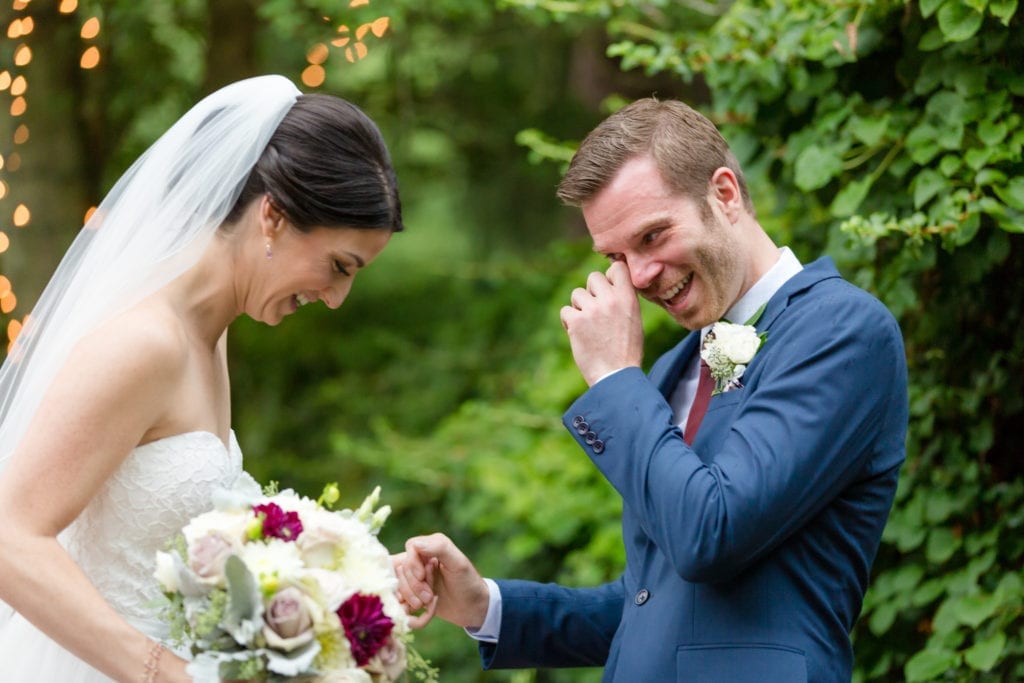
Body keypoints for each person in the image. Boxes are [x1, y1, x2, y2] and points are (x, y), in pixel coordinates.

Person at [395, 98, 908, 682]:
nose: (638, 277)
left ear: (725, 194)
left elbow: (709, 534)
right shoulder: (670, 370)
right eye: (617, 256)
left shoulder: (841, 331)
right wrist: (486, 605)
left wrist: (614, 379)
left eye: (652, 236)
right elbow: (652, 604)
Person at [0, 75, 403, 682]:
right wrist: (168, 673)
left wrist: (348, 582)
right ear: (273, 215)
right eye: (338, 266)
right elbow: (10, 538)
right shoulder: (145, 343)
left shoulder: (207, 340)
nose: (337, 297)